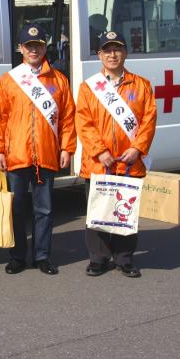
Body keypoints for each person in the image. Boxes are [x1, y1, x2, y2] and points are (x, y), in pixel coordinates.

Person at [0, 24, 76, 275]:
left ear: (45, 47)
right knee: (16, 209)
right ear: (20, 48)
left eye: (38, 45)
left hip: (47, 154)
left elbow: (68, 118)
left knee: (45, 210)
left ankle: (42, 256)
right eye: (29, 46)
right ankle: (17, 257)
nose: (34, 50)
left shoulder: (59, 80)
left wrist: (67, 147)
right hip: (16, 154)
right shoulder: (9, 80)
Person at [75, 31, 157, 278]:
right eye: (107, 50)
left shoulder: (141, 85)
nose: (112, 54)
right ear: (99, 55)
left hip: (129, 161)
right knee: (97, 211)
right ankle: (98, 259)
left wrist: (137, 148)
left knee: (125, 210)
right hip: (99, 162)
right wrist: (99, 151)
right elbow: (83, 121)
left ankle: (124, 258)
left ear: (125, 53)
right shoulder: (89, 88)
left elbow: (148, 120)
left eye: (117, 49)